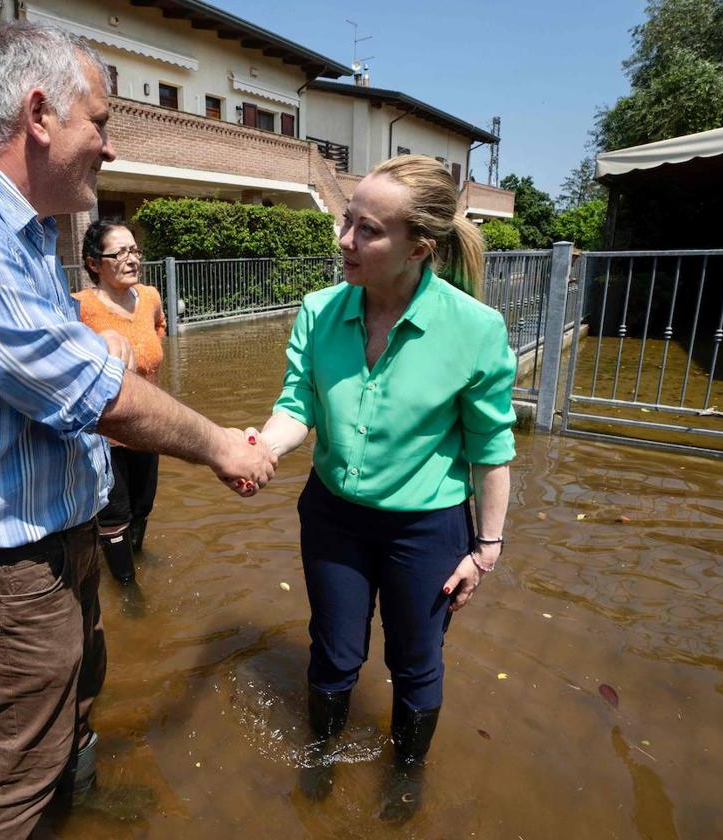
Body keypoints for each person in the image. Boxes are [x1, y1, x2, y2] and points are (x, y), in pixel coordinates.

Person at [0, 22, 276, 840]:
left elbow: (65, 366)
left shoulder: (24, 237)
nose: (111, 148)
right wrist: (225, 446)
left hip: (63, 536)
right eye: (103, 120)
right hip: (6, 563)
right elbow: (95, 394)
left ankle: (78, 811)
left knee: (77, 703)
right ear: (40, 113)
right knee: (16, 774)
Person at [252, 154, 516, 821]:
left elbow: (490, 452)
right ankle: (320, 768)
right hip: (333, 518)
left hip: (426, 529)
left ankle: (406, 781)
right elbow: (297, 405)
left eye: (367, 229)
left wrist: (486, 550)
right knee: (334, 652)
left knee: (416, 661)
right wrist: (259, 449)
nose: (344, 239)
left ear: (418, 248)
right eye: (346, 219)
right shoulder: (318, 311)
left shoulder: (475, 330)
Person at [73, 220, 165, 584]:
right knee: (114, 514)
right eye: (120, 253)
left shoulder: (151, 298)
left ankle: (134, 555)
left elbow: (157, 330)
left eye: (134, 250)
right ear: (95, 263)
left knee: (143, 506)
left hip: (149, 426)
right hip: (103, 434)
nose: (132, 259)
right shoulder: (79, 308)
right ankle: (127, 591)